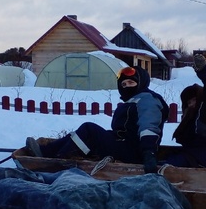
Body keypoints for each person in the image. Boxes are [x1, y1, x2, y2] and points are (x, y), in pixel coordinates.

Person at [26, 65, 169, 173]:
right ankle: (47, 152)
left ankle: (55, 161)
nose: (126, 87)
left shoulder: (147, 99)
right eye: (123, 85)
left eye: (131, 83)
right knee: (86, 134)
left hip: (135, 152)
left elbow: (149, 126)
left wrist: (149, 153)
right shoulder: (135, 99)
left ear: (141, 82)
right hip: (125, 144)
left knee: (89, 130)